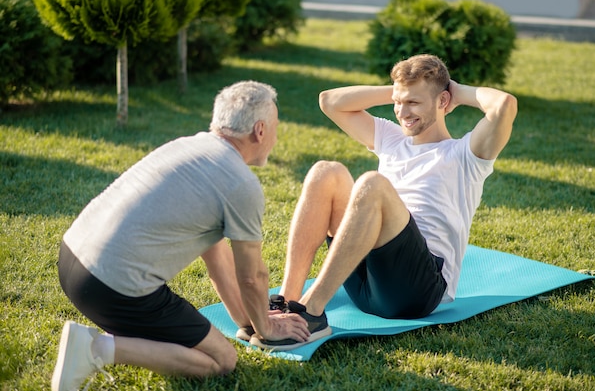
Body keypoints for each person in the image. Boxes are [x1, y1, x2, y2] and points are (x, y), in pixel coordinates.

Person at [52, 80, 310, 391]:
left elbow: (215, 256)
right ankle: (96, 349)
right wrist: (266, 326)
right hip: (112, 288)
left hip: (71, 262)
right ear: (260, 130)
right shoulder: (240, 182)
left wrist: (248, 321)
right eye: (276, 126)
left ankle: (95, 344)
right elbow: (252, 276)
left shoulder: (187, 146)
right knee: (222, 360)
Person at [248, 54, 518, 350]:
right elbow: (329, 101)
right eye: (398, 102)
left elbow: (504, 105)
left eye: (413, 103)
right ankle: (289, 302)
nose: (402, 112)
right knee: (327, 171)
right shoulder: (392, 139)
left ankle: (312, 313)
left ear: (442, 102)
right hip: (367, 282)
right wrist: (400, 90)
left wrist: (455, 90)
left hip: (417, 290)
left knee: (372, 184)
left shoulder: (466, 154)